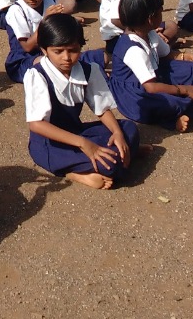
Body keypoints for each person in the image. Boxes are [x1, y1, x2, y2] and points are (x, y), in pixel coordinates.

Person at [24, 13, 141, 190]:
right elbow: (36, 125)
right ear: (44, 50)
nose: (66, 57)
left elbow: (102, 109)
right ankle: (75, 174)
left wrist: (117, 133)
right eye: (58, 51)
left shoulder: (89, 70)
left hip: (76, 132)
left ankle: (121, 153)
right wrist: (84, 144)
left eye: (73, 50)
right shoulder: (37, 76)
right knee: (109, 164)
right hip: (50, 144)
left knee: (128, 129)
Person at [108, 0, 193, 132]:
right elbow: (151, 87)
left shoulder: (149, 33)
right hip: (138, 90)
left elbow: (167, 54)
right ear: (151, 19)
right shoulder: (133, 49)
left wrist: (187, 57)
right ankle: (174, 118)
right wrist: (184, 89)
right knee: (163, 103)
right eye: (160, 12)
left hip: (156, 73)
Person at [3, 0, 68, 83]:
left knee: (69, 57)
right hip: (23, 61)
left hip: (47, 52)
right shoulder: (16, 11)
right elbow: (27, 47)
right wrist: (45, 21)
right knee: (48, 64)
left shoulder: (48, 1)